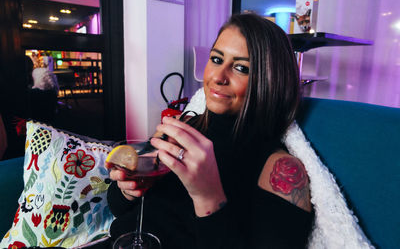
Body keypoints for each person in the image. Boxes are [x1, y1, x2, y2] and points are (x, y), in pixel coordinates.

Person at [106, 13, 313, 249]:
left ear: (270, 80)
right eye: (216, 59)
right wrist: (129, 190)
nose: (218, 77)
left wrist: (208, 197)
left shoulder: (281, 170)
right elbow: (118, 208)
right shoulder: (185, 127)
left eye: (241, 68)